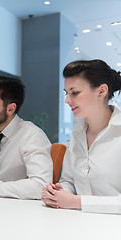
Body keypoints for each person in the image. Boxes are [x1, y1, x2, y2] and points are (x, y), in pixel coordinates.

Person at [42, 59, 121, 214]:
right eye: (66, 93)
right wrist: (58, 192)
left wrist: (77, 202)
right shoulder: (78, 133)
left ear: (101, 91)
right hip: (77, 224)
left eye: (75, 93)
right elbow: (69, 180)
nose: (67, 100)